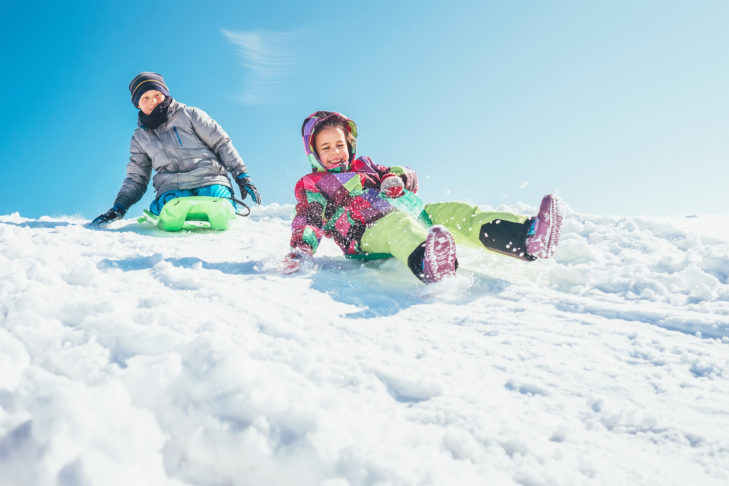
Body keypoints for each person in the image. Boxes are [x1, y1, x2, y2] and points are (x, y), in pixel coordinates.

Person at [281, 111, 564, 283]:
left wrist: (395, 178)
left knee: (456, 212)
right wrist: (301, 248)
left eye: (340, 145)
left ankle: (527, 238)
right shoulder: (315, 184)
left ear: (350, 145)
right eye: (326, 147)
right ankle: (429, 265)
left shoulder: (366, 166)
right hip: (364, 234)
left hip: (409, 210)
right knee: (398, 228)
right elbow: (309, 218)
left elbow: (406, 174)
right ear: (314, 154)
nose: (335, 152)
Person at [90, 72, 260, 226]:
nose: (153, 101)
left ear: (165, 94)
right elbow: (137, 177)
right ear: (137, 104)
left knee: (214, 197)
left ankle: (224, 205)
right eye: (145, 98)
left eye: (157, 95)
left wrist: (241, 174)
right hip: (172, 186)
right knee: (173, 202)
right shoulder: (140, 138)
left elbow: (221, 143)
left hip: (210, 178)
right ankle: (165, 210)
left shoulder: (190, 115)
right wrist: (119, 207)